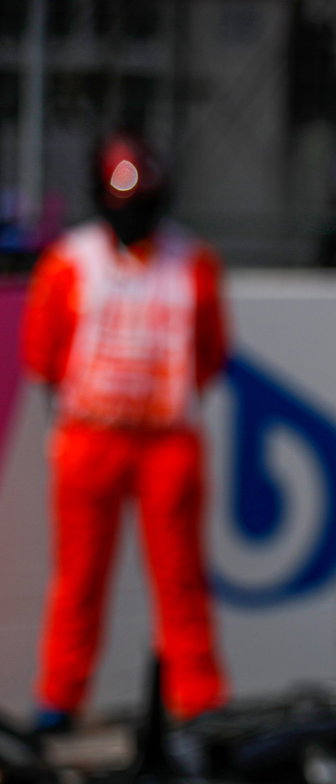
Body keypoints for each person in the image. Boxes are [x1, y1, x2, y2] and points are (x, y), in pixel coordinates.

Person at [21, 132, 230, 733]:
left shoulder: (192, 263)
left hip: (166, 440)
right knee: (79, 580)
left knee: (182, 581)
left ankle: (198, 702)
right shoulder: (70, 262)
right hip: (91, 437)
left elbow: (211, 355)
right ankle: (59, 700)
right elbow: (42, 354)